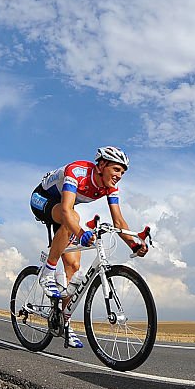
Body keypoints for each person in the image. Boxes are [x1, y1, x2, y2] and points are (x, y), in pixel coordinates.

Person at [30, 146, 148, 348]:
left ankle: (63, 321)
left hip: (65, 210)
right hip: (43, 200)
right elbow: (67, 211)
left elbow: (118, 221)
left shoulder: (110, 186)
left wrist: (134, 244)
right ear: (101, 165)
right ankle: (47, 274)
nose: (119, 176)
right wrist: (81, 233)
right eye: (116, 169)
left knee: (74, 267)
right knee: (73, 218)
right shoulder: (77, 172)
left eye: (123, 172)